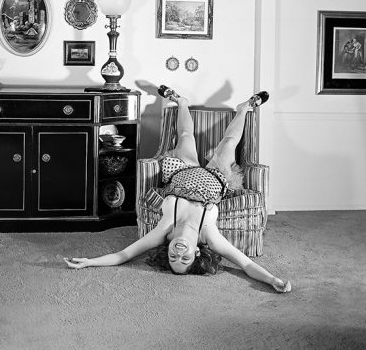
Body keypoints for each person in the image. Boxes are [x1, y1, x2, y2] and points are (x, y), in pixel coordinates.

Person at [64, 85, 292, 293]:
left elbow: (123, 254)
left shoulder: (164, 230)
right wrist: (272, 279)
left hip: (182, 172)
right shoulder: (209, 236)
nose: (179, 253)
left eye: (173, 257)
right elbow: (247, 264)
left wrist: (89, 262)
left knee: (185, 136)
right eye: (185, 259)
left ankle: (181, 102)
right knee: (229, 143)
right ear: (197, 252)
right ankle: (244, 108)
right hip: (216, 177)